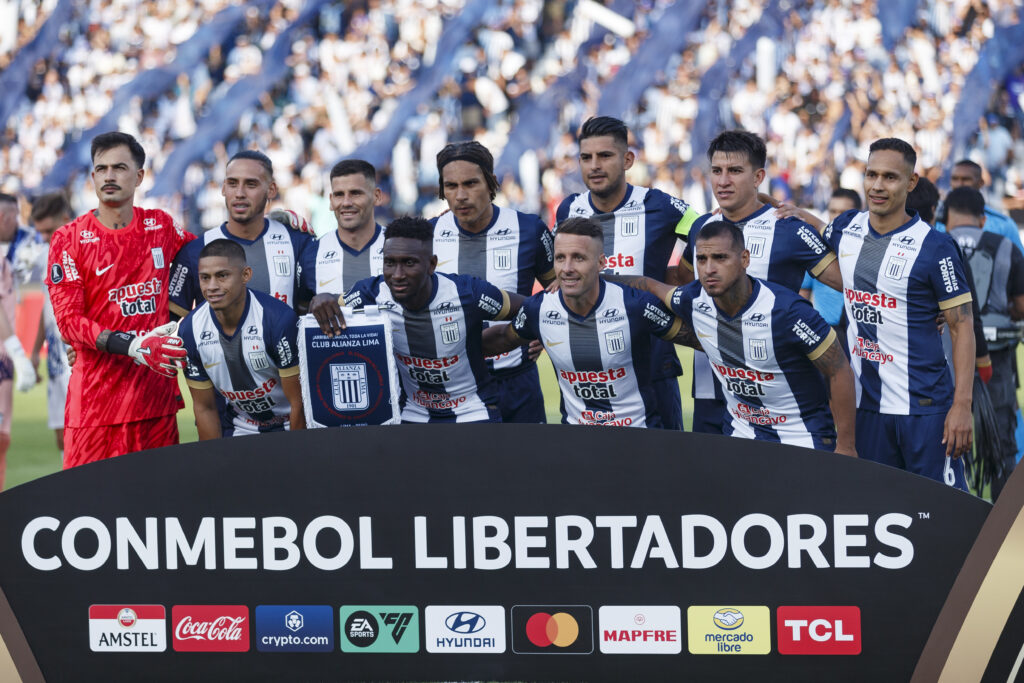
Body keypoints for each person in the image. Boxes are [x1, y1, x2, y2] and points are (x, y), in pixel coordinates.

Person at [620, 222, 856, 452]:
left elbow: (839, 370)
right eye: (702, 259)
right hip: (740, 439)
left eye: (720, 258)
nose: (709, 269)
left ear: (744, 259)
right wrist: (594, 282)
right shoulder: (692, 299)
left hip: (801, 440)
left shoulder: (788, 311)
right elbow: (650, 285)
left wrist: (846, 446)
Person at [820, 138, 974, 489]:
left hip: (924, 407)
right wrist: (787, 212)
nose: (876, 185)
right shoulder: (845, 227)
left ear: (911, 182)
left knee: (942, 516)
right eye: (871, 174)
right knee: (877, 513)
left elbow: (962, 325)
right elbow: (817, 249)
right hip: (866, 408)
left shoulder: (935, 246)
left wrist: (962, 405)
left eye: (889, 177)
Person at [46, 131, 195, 467]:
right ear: (93, 176)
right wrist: (133, 346)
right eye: (101, 169)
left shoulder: (160, 226)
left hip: (155, 405)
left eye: (119, 167)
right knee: (86, 512)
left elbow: (211, 256)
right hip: (95, 409)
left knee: (158, 512)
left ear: (139, 176)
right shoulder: (68, 239)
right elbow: (69, 322)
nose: (109, 176)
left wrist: (276, 224)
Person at [679, 130, 843, 435]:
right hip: (711, 384)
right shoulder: (702, 226)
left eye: (735, 171)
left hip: (777, 393)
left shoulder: (789, 228)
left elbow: (848, 283)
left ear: (758, 177)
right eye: (717, 171)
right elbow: (684, 283)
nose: (723, 181)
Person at [555, 116, 701, 430]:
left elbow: (710, 232)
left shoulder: (659, 205)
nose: (594, 165)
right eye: (586, 157)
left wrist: (684, 271)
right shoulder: (569, 209)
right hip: (585, 371)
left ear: (627, 160)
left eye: (605, 156)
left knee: (662, 471)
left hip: (652, 364)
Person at [483, 217, 695, 428]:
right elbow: (502, 339)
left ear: (601, 263)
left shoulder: (635, 305)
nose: (567, 268)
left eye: (578, 258)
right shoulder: (539, 309)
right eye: (560, 258)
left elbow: (697, 340)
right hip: (578, 443)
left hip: (637, 438)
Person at [327, 216, 522, 423]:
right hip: (412, 414)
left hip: (473, 411)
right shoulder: (371, 293)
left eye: (409, 263)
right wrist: (322, 301)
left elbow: (532, 310)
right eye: (390, 263)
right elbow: (328, 306)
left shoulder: (467, 293)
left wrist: (527, 336)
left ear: (431, 264)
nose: (398, 274)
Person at [431, 141, 555, 423]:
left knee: (526, 467)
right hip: (453, 387)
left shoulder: (529, 229)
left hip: (517, 382)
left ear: (491, 183)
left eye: (471, 183)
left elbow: (558, 292)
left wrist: (544, 331)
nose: (460, 195)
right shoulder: (429, 235)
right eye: (451, 186)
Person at [944, 186, 1024, 499]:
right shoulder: (1004, 244)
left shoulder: (936, 242)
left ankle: (953, 506)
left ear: (946, 215)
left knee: (947, 432)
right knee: (1000, 434)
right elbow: (1020, 304)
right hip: (996, 354)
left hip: (948, 351)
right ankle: (1003, 521)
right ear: (982, 218)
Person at [179, 240, 305, 438]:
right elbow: (205, 408)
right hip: (240, 428)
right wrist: (213, 461)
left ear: (245, 275)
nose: (212, 286)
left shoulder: (278, 320)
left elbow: (299, 402)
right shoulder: (190, 330)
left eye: (222, 276)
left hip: (291, 426)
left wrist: (297, 457)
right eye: (205, 278)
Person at [168, 150, 314, 317]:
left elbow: (315, 305)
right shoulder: (194, 251)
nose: (239, 193)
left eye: (251, 184)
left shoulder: (298, 241)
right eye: (232, 183)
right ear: (223, 188)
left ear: (271, 189)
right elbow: (168, 327)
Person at [301, 159, 387, 307]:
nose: (346, 202)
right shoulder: (311, 254)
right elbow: (302, 309)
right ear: (331, 200)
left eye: (355, 193)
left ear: (377, 196)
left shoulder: (399, 247)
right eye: (339, 194)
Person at [29, 192, 73, 458]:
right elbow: (45, 310)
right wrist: (35, 351)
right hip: (56, 357)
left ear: (65, 219)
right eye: (40, 232)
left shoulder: (84, 251)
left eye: (48, 230)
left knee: (79, 434)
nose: (44, 237)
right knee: (61, 439)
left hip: (78, 353)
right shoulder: (46, 255)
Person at [798, 188, 862, 330]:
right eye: (833, 211)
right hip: (825, 331)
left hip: (862, 332)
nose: (837, 218)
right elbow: (803, 297)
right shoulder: (815, 248)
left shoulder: (869, 250)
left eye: (844, 213)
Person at [937, 159, 1024, 254]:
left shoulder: (1003, 225)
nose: (959, 184)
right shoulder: (937, 220)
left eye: (966, 179)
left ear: (981, 183)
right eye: (955, 179)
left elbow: (1018, 263)